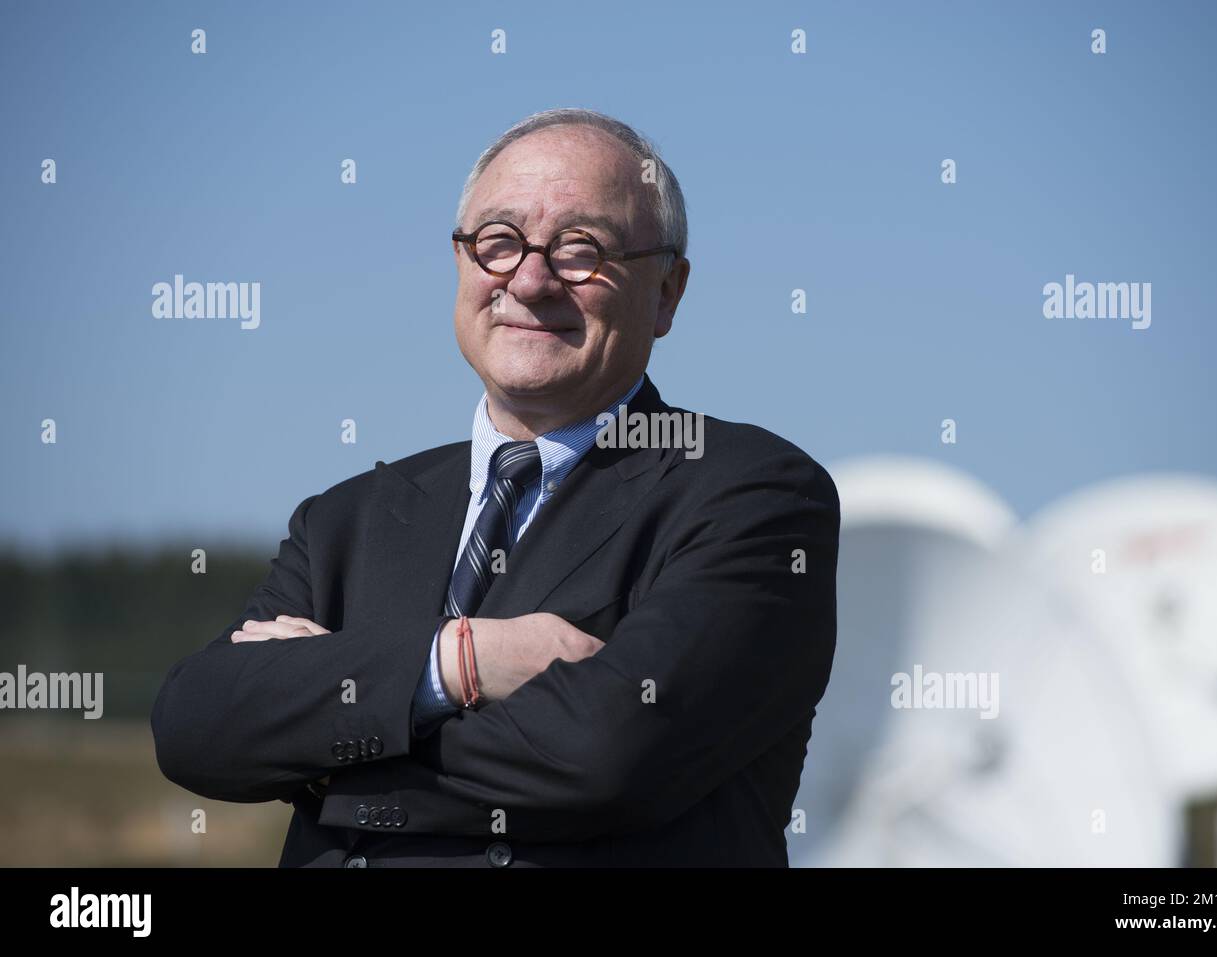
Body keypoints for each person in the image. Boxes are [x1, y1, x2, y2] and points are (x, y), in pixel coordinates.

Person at [151, 108, 840, 867]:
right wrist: (462, 661)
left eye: (583, 249)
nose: (531, 278)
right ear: (460, 262)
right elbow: (196, 722)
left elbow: (607, 751)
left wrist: (325, 745)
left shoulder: (755, 495)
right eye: (499, 242)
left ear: (667, 292)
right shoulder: (348, 518)